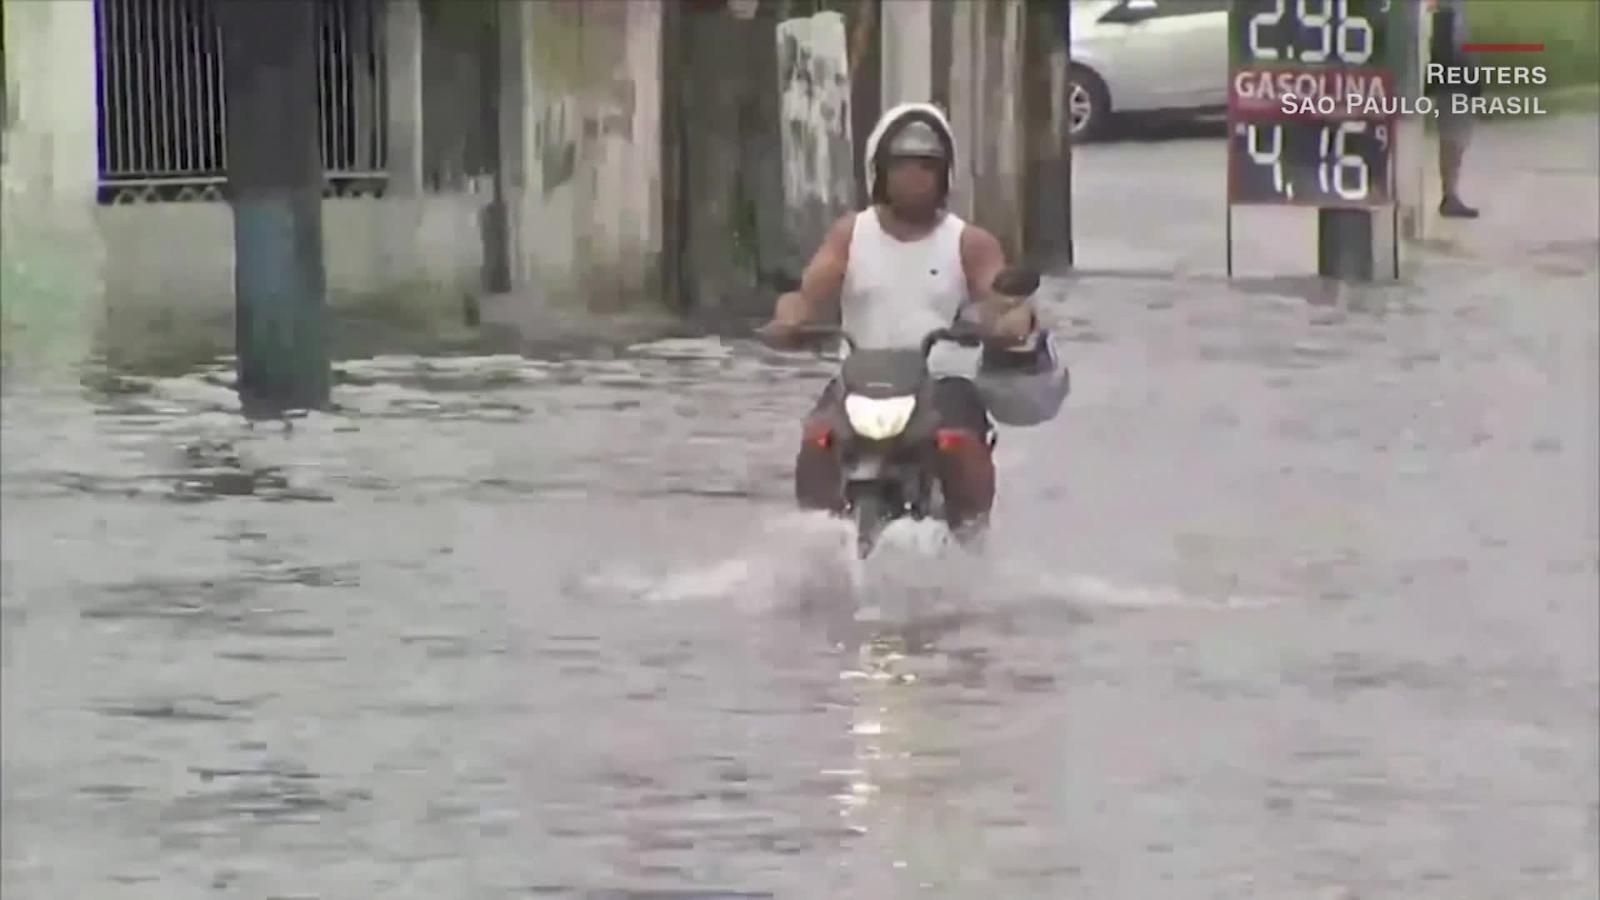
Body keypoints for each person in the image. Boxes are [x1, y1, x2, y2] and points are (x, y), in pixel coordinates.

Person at [757, 102, 1037, 536]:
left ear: (945, 174)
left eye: (927, 166)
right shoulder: (850, 234)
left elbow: (998, 295)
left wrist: (1008, 320)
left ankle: (973, 541)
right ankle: (815, 541)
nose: (914, 177)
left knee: (961, 444)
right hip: (859, 378)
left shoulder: (970, 242)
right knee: (816, 439)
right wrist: (789, 319)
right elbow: (808, 294)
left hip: (942, 383)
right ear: (880, 172)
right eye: (902, 166)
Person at [1428, 0, 1481, 218]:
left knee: (1457, 137)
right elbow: (1447, 44)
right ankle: (1449, 195)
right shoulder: (1445, 7)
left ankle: (1451, 193)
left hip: (1457, 71)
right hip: (1452, 74)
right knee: (1453, 137)